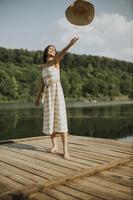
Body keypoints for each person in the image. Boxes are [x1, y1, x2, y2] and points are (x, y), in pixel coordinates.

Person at [35, 37, 79, 159]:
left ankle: (65, 150)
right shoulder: (43, 67)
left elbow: (61, 54)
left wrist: (70, 45)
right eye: (50, 49)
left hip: (57, 91)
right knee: (51, 121)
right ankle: (55, 146)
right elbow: (42, 84)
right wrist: (38, 98)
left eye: (54, 50)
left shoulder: (55, 62)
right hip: (48, 93)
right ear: (46, 52)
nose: (53, 50)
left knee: (61, 120)